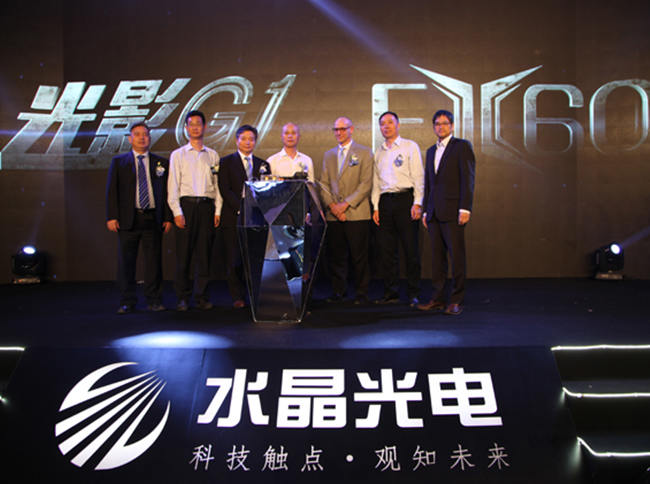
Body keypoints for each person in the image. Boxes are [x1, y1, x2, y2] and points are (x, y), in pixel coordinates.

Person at [105, 122, 173, 314]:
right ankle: (127, 301)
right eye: (137, 134)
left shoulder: (161, 163)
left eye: (145, 134)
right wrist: (112, 216)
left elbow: (167, 192)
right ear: (130, 138)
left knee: (153, 263)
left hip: (153, 217)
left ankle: (154, 300)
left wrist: (167, 217)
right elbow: (112, 191)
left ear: (149, 138)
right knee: (126, 262)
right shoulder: (119, 162)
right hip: (128, 218)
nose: (142, 138)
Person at [417, 110, 475, 315]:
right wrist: (426, 210)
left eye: (444, 123)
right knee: (437, 259)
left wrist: (465, 208)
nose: (440, 127)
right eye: (437, 124)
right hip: (433, 213)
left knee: (457, 257)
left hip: (453, 211)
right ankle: (438, 299)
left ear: (452, 126)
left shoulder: (462, 146)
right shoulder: (431, 150)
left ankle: (456, 300)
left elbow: (468, 178)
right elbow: (429, 183)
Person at [167, 110, 222, 311]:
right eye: (191, 124)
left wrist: (217, 210)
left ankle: (202, 297)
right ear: (186, 128)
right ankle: (183, 297)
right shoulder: (178, 155)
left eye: (199, 124)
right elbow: (173, 185)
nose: (195, 127)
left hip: (207, 207)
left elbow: (217, 185)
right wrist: (177, 211)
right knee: (184, 255)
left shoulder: (213, 155)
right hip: (186, 207)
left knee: (204, 255)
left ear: (205, 127)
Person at [372, 111, 424, 306]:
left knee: (410, 250)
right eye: (382, 123)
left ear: (398, 125)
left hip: (405, 200)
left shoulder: (410, 146)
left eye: (390, 122)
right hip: (385, 202)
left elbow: (419, 176)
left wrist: (417, 202)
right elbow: (376, 182)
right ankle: (391, 293)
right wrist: (376, 207)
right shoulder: (378, 152)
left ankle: (413, 293)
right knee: (387, 251)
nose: (386, 126)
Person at [320, 117, 373, 304]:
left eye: (343, 129)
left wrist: (345, 205)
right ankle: (338, 292)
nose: (339, 132)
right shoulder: (329, 155)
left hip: (357, 213)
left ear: (352, 129)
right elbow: (323, 184)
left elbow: (366, 184)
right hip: (334, 214)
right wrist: (333, 207)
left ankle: (361, 293)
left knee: (359, 257)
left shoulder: (365, 152)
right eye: (336, 129)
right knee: (336, 257)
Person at [218, 125, 271, 308]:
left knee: (254, 258)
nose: (248, 142)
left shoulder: (263, 164)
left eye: (251, 139)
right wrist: (241, 207)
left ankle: (255, 295)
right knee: (234, 258)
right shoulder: (226, 162)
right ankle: (237, 296)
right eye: (244, 138)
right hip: (234, 215)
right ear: (237, 140)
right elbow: (224, 189)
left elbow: (267, 190)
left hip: (256, 217)